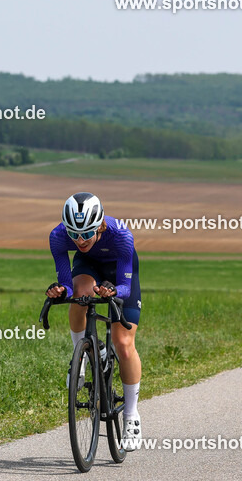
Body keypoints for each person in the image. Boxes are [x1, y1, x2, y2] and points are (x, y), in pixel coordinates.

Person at [46, 192, 143, 450]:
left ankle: (131, 415)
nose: (80, 240)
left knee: (123, 343)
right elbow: (67, 284)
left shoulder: (121, 235)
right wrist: (60, 291)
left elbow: (124, 286)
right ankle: (81, 358)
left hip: (119, 272)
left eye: (87, 234)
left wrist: (113, 292)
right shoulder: (58, 237)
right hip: (88, 267)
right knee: (79, 296)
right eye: (74, 234)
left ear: (100, 225)